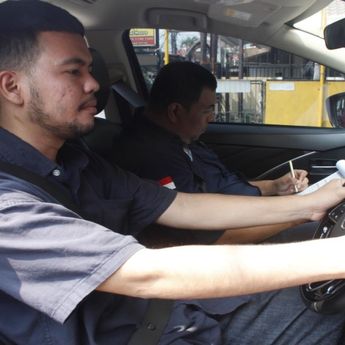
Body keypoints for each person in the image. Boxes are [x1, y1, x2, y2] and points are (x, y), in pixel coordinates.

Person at [1, 1, 345, 344]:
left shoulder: (79, 161)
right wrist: (328, 256)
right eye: (74, 71)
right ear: (11, 86)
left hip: (178, 309)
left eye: (91, 69)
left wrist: (309, 205)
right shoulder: (8, 204)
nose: (93, 84)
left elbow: (182, 205)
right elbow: (147, 274)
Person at [114, 61, 310, 244]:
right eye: (206, 110)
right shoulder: (154, 157)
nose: (212, 118)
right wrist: (298, 214)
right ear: (175, 111)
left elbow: (218, 187)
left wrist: (275, 186)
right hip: (232, 245)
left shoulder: (183, 138)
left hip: (247, 218)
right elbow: (210, 237)